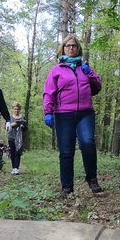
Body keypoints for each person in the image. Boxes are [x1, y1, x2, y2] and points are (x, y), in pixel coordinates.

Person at [42, 34, 103, 195]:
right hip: (63, 114)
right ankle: (67, 186)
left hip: (85, 112)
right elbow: (49, 92)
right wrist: (48, 111)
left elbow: (97, 88)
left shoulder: (84, 68)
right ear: (63, 48)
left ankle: (92, 179)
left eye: (74, 46)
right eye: (68, 46)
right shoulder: (56, 70)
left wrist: (89, 73)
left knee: (88, 143)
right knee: (66, 151)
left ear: (78, 49)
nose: (71, 48)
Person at [6, 101, 28, 174]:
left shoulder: (23, 117)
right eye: (15, 109)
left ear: (19, 109)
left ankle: (16, 168)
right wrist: (12, 125)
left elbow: (26, 127)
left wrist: (22, 125)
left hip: (19, 138)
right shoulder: (9, 117)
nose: (16, 110)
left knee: (17, 152)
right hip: (11, 136)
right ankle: (13, 168)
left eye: (18, 109)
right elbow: (6, 127)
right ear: (13, 109)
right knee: (12, 152)